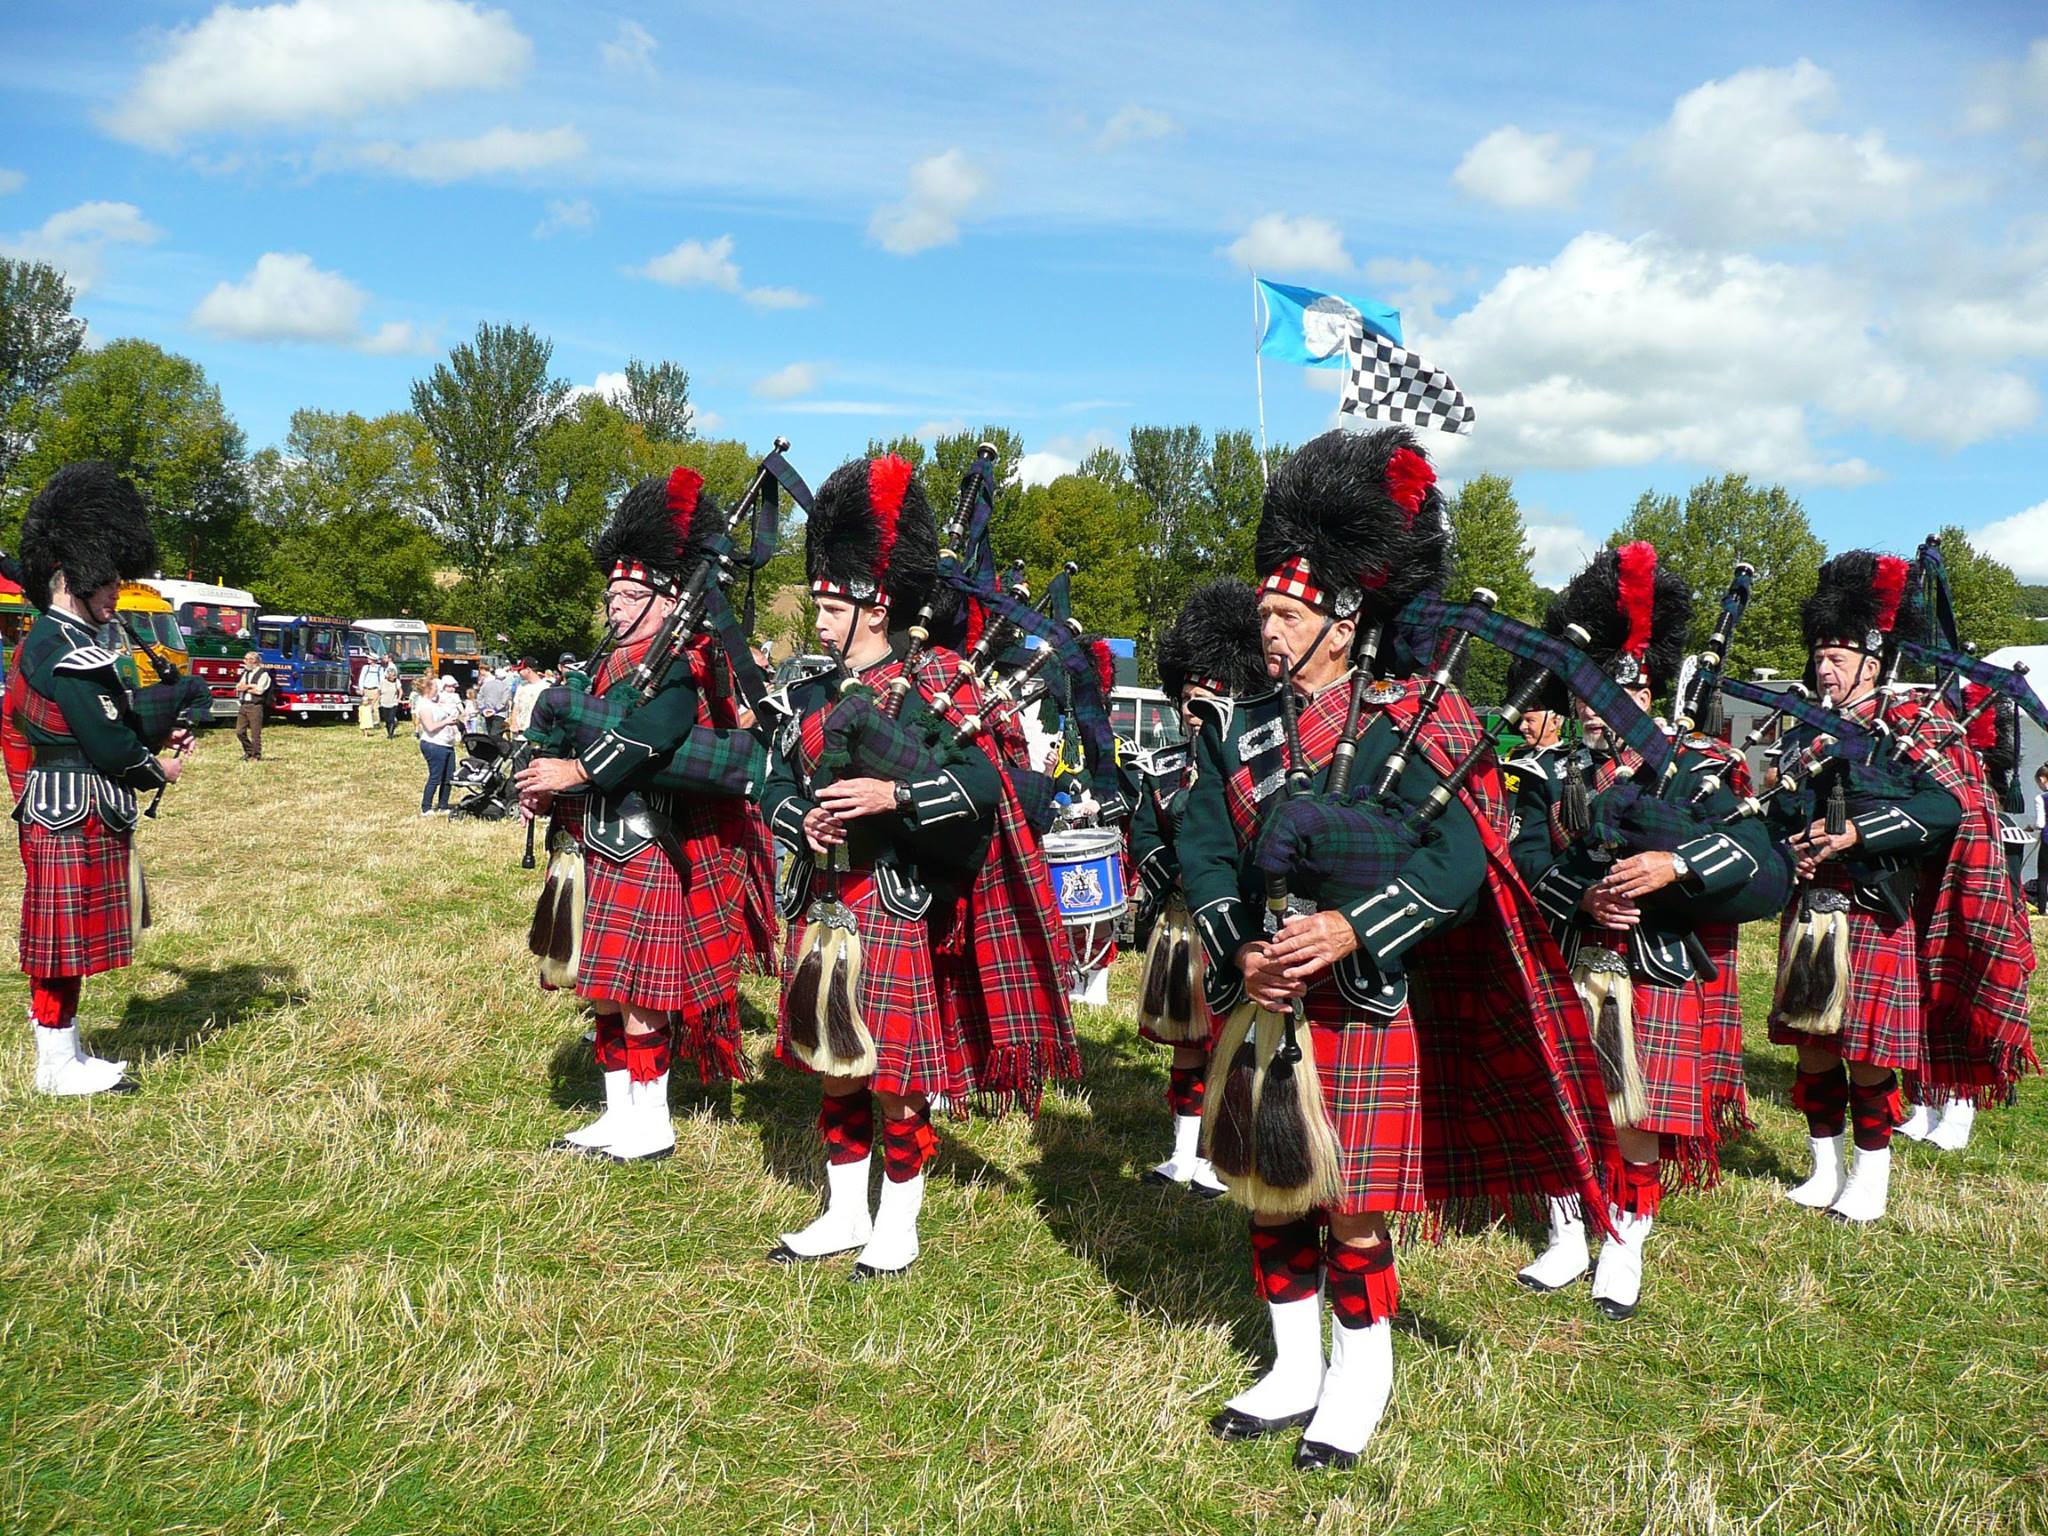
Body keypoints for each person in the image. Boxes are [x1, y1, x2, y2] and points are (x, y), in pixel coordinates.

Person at [1177, 428, 1615, 1470]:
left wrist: (1345, 929)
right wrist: (1239, 944)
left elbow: (1458, 863)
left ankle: (1357, 1380)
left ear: (1343, 619)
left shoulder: (1427, 718)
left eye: (1284, 614)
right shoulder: (1240, 727)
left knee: (1353, 1210)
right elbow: (1199, 843)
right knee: (1271, 1189)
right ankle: (1291, 1368)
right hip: (1263, 1001)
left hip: (1366, 998)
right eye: (1263, 611)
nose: (1265, 629)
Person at [761, 453, 1078, 1279]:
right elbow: (770, 780)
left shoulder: (933, 676)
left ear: (875, 603)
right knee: (833, 1060)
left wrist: (888, 798)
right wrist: (801, 819)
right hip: (825, 892)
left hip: (894, 899)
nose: (820, 616)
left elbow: (985, 781)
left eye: (832, 602)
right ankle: (840, 1211)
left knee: (895, 1073)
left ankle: (897, 1221)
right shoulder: (812, 687)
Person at [1506, 545, 1788, 1319]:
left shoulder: (1701, 767)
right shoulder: (1544, 768)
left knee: (1635, 1115)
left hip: (1654, 965)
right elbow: (1527, 859)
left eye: (1621, 685)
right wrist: (1585, 894)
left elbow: (1763, 866)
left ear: (1648, 684)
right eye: (1592, 686)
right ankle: (1566, 1233)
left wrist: (1674, 864)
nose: (1603, 703)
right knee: (1562, 1100)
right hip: (1572, 954)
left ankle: (1625, 1243)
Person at [1765, 551, 2036, 1222]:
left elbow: (1947, 810)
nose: (1824, 670)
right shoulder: (1806, 730)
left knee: (1866, 1053)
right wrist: (1788, 848)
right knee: (1811, 1044)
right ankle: (1822, 1169)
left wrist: (1858, 834)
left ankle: (1871, 1178)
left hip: (1874, 908)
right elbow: (1783, 811)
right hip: (1811, 904)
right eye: (1820, 656)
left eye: (1837, 658)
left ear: (1873, 661)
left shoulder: (1913, 723)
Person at [515, 466, 761, 1162]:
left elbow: (659, 733)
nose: (616, 606)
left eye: (629, 594)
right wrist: (544, 784)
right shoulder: (602, 664)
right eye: (611, 595)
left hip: (646, 844)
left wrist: (578, 770)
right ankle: (615, 1113)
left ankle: (652, 1122)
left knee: (640, 990)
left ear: (664, 598)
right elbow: (574, 732)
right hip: (592, 841)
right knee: (601, 986)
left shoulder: (678, 662)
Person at [11, 464, 209, 1095]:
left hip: (68, 802)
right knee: (57, 946)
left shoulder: (52, 637)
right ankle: (57, 1065)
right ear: (76, 577)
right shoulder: (67, 647)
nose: (116, 597)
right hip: (73, 807)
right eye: (109, 586)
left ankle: (64, 1053)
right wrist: (159, 766)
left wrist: (152, 730)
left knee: (64, 944)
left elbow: (91, 723)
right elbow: (103, 741)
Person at [1128, 579, 1267, 1195]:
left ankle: (1217, 1155)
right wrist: (1171, 870)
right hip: (1177, 926)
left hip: (1227, 927)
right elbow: (1141, 838)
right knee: (1184, 1045)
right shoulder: (1158, 767)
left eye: (1206, 697)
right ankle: (1182, 1152)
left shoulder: (1250, 766)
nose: (1193, 710)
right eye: (1187, 698)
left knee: (1226, 1045)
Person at [414, 676, 463, 815]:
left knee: (449, 777)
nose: (438, 688)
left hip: (447, 744)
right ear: (429, 688)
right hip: (433, 745)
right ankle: (426, 807)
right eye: (435, 686)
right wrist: (447, 721)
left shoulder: (434, 702)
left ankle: (443, 805)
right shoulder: (423, 705)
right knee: (435, 777)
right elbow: (430, 727)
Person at [234, 651, 271, 760]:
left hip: (255, 706)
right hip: (244, 705)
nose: (244, 661)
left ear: (253, 661)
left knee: (255, 733)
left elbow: (259, 691)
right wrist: (250, 686)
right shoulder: (246, 673)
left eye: (246, 659)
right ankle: (249, 751)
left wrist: (246, 687)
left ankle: (256, 755)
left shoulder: (263, 674)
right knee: (239, 731)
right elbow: (238, 687)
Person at [475, 665, 513, 739]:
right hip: (500, 713)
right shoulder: (505, 687)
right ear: (504, 677)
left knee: (489, 732)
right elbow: (504, 701)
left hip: (487, 712)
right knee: (496, 734)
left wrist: (483, 708)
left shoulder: (486, 684)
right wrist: (495, 709)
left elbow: (479, 698)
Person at [509, 660, 545, 737]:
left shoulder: (545, 687)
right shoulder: (521, 686)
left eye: (520, 670)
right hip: (519, 733)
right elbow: (515, 706)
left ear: (528, 670)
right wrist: (513, 723)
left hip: (535, 733)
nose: (518, 673)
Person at [357, 656, 385, 736]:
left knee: (375, 706)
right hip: (366, 689)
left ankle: (376, 722)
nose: (368, 660)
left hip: (375, 689)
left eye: (369, 659)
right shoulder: (366, 667)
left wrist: (379, 689)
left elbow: (382, 679)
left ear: (373, 660)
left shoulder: (380, 669)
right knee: (365, 706)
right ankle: (365, 722)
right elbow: (361, 678)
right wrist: (361, 688)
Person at [377, 664, 403, 738]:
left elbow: (400, 691)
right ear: (388, 676)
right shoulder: (382, 682)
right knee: (387, 720)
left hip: (393, 703)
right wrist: (373, 703)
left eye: (395, 675)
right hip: (384, 703)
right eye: (392, 676)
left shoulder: (396, 682)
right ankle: (389, 732)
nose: (394, 677)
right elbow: (378, 693)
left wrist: (399, 699)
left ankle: (391, 735)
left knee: (391, 719)